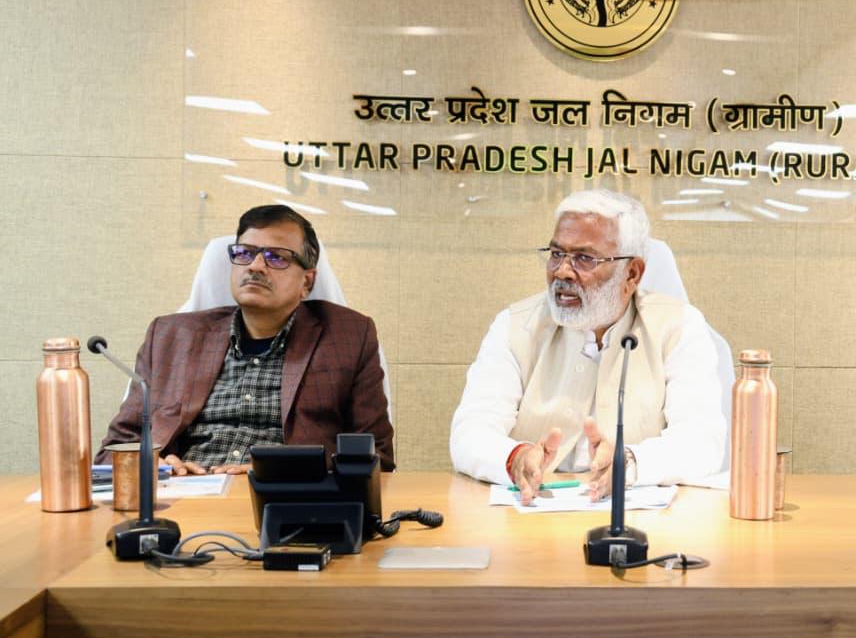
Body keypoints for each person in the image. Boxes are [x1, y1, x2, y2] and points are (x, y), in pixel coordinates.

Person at [450, 189, 725, 504]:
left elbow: (703, 442)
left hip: (640, 519)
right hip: (530, 515)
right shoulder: (515, 325)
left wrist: (629, 464)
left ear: (632, 273)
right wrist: (514, 458)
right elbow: (470, 433)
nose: (562, 271)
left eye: (584, 258)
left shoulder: (678, 327)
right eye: (556, 254)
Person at [97, 204, 393, 473]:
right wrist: (153, 466)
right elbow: (113, 450)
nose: (255, 266)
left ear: (307, 282)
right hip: (182, 494)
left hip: (284, 500)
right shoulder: (171, 338)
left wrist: (279, 470)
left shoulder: (348, 337)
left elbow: (377, 457)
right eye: (245, 253)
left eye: (276, 257)